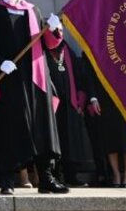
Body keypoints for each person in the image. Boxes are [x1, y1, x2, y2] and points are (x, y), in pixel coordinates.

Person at [0, 0, 67, 195]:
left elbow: (48, 44)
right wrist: (0, 63)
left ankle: (46, 177)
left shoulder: (33, 11)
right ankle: (8, 178)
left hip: (36, 78)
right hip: (9, 80)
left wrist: (55, 30)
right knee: (10, 128)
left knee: (42, 128)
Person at [40, 20, 94, 187]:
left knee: (71, 142)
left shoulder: (66, 49)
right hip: (51, 105)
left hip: (70, 104)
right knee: (55, 141)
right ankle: (55, 175)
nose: (58, 33)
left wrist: (80, 100)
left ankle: (71, 176)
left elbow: (79, 77)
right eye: (55, 30)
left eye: (60, 30)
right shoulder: (41, 50)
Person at [84, 68, 126, 188]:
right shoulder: (100, 48)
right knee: (109, 136)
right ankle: (116, 175)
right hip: (105, 95)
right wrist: (93, 97)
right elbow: (91, 70)